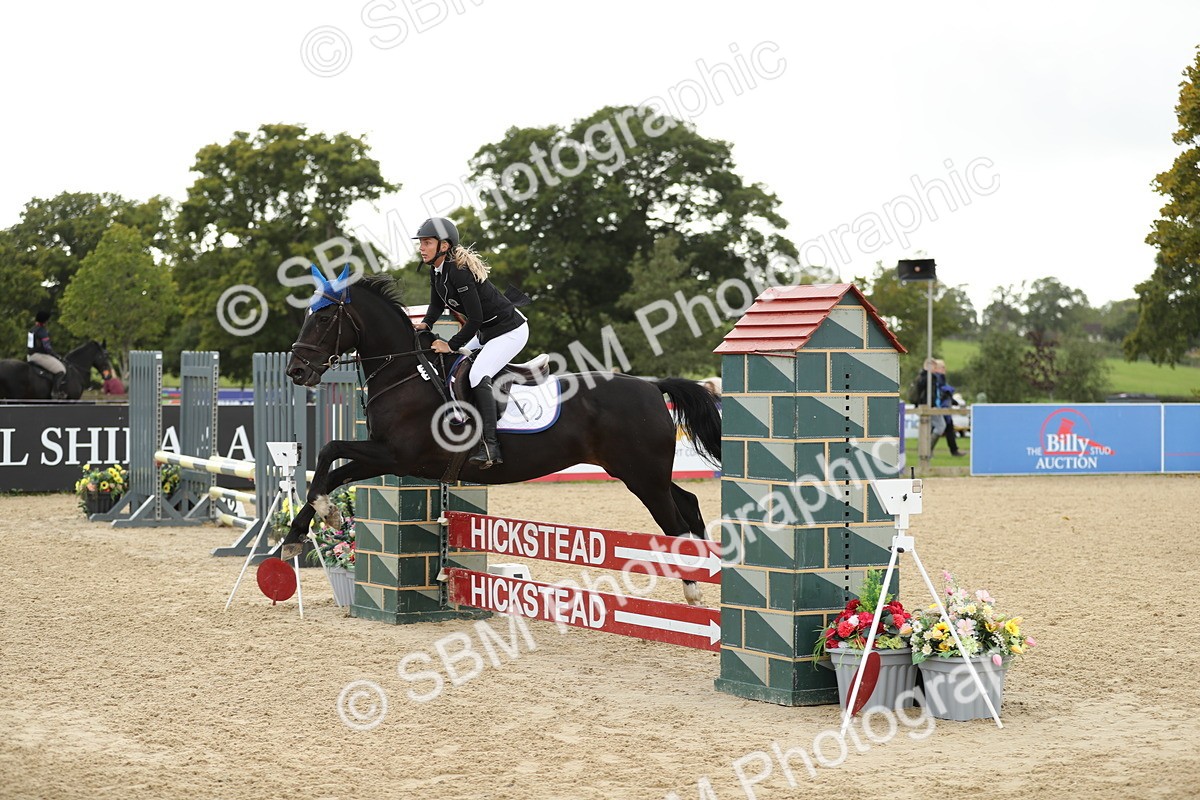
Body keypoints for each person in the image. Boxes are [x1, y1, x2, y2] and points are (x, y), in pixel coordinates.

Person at [411, 217, 529, 469]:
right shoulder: (437, 270)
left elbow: (475, 318)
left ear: (444, 246)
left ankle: (491, 446)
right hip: (487, 332)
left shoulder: (458, 271)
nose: (422, 248)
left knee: (477, 375)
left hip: (510, 330)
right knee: (454, 367)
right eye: (421, 242)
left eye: (427, 242)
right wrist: (426, 324)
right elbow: (436, 304)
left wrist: (451, 345)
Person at [27, 310, 68, 399]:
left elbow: (29, 346)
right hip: (39, 356)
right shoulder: (42, 331)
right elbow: (47, 348)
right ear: (45, 321)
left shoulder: (31, 330)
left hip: (30, 356)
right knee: (61, 370)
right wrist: (57, 356)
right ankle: (55, 393)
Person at [930, 359, 965, 457]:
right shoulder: (936, 378)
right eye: (942, 367)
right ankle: (928, 450)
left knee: (948, 429)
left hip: (944, 408)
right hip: (940, 408)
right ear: (937, 368)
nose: (944, 369)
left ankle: (954, 450)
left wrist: (953, 401)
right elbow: (940, 393)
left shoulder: (941, 378)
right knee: (940, 428)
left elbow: (946, 394)